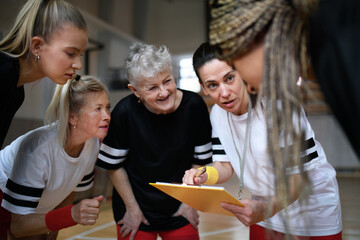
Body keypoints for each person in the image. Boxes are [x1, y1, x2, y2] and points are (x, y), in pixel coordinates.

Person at [182, 42, 342, 240]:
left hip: (310, 207)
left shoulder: (280, 106)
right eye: (213, 85)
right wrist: (203, 175)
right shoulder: (217, 114)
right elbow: (224, 165)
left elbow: (298, 179)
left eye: (229, 78)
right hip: (264, 205)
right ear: (204, 88)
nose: (223, 93)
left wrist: (266, 208)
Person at [207, 0, 359, 158]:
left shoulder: (339, 37)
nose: (250, 88)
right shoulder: (329, 44)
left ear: (250, 36)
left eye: (234, 69)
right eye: (212, 85)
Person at [97, 42, 212, 240]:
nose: (164, 92)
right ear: (135, 91)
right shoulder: (124, 113)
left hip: (180, 208)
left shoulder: (194, 106)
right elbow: (114, 167)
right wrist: (132, 209)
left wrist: (189, 202)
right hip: (135, 210)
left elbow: (199, 160)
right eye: (152, 87)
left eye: (167, 81)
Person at [0, 75, 110, 239]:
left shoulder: (92, 143)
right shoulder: (38, 149)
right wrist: (70, 215)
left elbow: (71, 190)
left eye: (108, 107)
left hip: (33, 208)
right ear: (72, 117)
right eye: (98, 109)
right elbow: (18, 226)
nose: (107, 115)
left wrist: (53, 229)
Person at [0, 0, 88, 148]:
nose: (78, 65)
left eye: (80, 55)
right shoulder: (3, 74)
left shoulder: (16, 91)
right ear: (37, 46)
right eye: (70, 53)